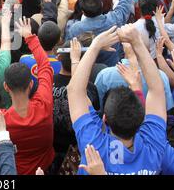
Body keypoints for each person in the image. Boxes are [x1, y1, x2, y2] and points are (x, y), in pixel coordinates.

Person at [68, 25, 168, 175]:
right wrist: (137, 43)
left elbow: (74, 91)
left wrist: (95, 46)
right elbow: (157, 90)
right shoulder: (153, 143)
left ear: (104, 119)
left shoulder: (94, 148)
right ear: (142, 119)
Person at [0, 18, 55, 175]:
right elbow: (45, 66)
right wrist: (29, 37)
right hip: (46, 167)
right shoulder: (45, 102)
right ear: (30, 84)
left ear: (6, 87)